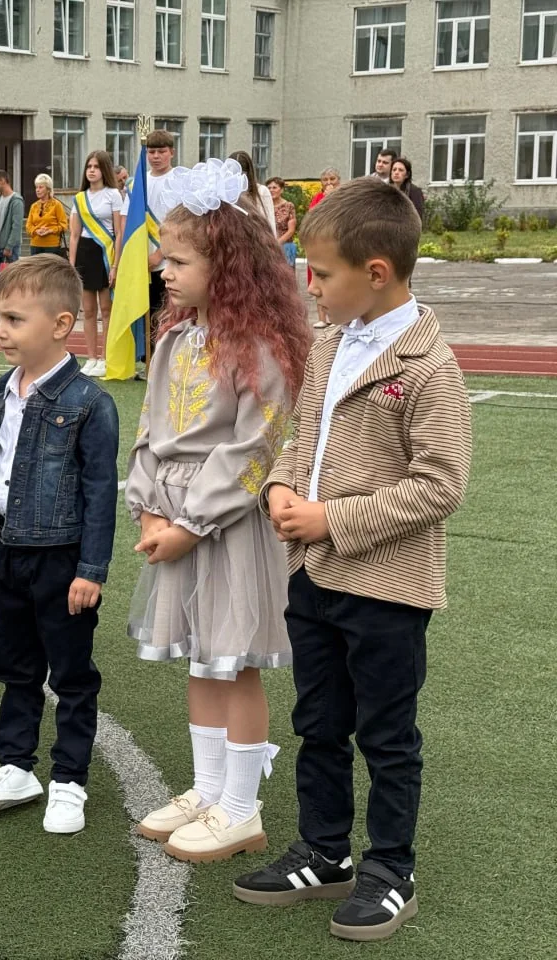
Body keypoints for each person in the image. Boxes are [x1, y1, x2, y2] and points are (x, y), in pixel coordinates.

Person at [234, 177, 473, 943]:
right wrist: (279, 485)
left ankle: (390, 871)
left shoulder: (428, 366)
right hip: (313, 577)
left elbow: (440, 485)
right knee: (319, 723)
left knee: (387, 736)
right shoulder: (329, 345)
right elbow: (301, 439)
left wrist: (331, 518)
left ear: (376, 272)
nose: (311, 285)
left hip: (387, 589)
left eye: (322, 273)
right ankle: (324, 852)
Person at [125, 160, 312, 862]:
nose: (164, 271)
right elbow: (149, 430)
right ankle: (206, 790)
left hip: (225, 526)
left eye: (179, 261)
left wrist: (189, 523)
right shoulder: (175, 339)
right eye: (164, 258)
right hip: (174, 520)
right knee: (202, 661)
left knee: (234, 661)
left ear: (227, 267)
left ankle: (240, 809)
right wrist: (149, 510)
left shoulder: (258, 347)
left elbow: (254, 448)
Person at [0, 255, 119, 834]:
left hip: (61, 559)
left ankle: (69, 780)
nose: (0, 330)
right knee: (16, 667)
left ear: (60, 324)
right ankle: (16, 765)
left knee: (71, 675)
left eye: (14, 319)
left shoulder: (88, 404)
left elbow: (100, 493)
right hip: (6, 551)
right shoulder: (1, 393)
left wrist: (91, 569)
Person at [68, 149, 123, 378]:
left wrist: (115, 265)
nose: (91, 171)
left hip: (105, 254)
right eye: (89, 167)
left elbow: (119, 232)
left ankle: (106, 357)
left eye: (96, 167)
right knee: (88, 311)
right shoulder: (80, 198)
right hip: (85, 253)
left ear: (104, 170)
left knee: (107, 310)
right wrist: (71, 265)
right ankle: (91, 357)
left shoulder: (113, 194)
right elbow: (74, 235)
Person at [144, 130, 182, 362]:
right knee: (148, 313)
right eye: (151, 152)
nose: (156, 156)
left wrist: (160, 253)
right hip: (142, 260)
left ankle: (168, 359)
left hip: (169, 259)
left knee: (168, 313)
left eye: (161, 151)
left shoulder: (179, 180)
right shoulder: (139, 182)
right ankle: (150, 361)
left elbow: (181, 222)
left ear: (172, 152)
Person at [307, 168, 342, 329]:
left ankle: (337, 316)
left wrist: (332, 198)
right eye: (325, 179)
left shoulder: (343, 197)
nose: (329, 183)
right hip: (320, 244)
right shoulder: (317, 198)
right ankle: (322, 317)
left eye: (332, 179)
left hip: (338, 244)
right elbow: (312, 216)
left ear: (338, 180)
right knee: (319, 281)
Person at [0, 171, 24, 300]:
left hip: (9, 249)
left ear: (3, 181)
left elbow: (17, 226)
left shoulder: (16, 201)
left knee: (10, 280)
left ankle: (10, 304)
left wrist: (9, 246)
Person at [230, 151, 278, 236]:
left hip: (255, 239)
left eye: (241, 174)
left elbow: (269, 222)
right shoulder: (225, 193)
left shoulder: (261, 191)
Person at [24, 173, 68, 260]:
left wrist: (50, 230)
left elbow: (64, 226)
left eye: (40, 187)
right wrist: (36, 231)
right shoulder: (34, 206)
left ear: (48, 189)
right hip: (35, 246)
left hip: (52, 247)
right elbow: (28, 227)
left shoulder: (56, 205)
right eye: (36, 187)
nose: (37, 190)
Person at [267, 177, 298, 269]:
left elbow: (291, 231)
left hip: (285, 247)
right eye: (269, 188)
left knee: (286, 273)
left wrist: (276, 243)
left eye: (274, 187)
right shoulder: (265, 206)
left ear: (281, 190)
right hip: (267, 247)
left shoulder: (289, 206)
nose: (271, 190)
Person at [389, 158, 425, 224]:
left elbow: (418, 216)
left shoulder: (414, 191)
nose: (396, 172)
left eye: (400, 170)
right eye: (394, 170)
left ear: (407, 175)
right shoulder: (387, 190)